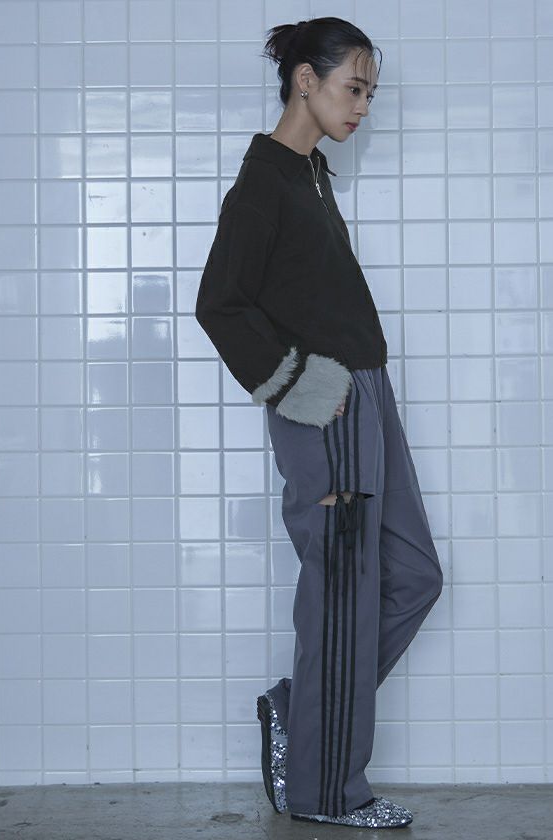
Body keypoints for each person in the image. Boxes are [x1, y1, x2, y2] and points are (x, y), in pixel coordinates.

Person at [195, 16, 444, 829]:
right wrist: (299, 386)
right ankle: (325, 792)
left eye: (370, 93)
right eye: (354, 88)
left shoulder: (310, 175)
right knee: (341, 596)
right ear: (307, 80)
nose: (364, 106)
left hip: (367, 395)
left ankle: (299, 713)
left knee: (413, 576)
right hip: (326, 405)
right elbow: (219, 304)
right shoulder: (263, 183)